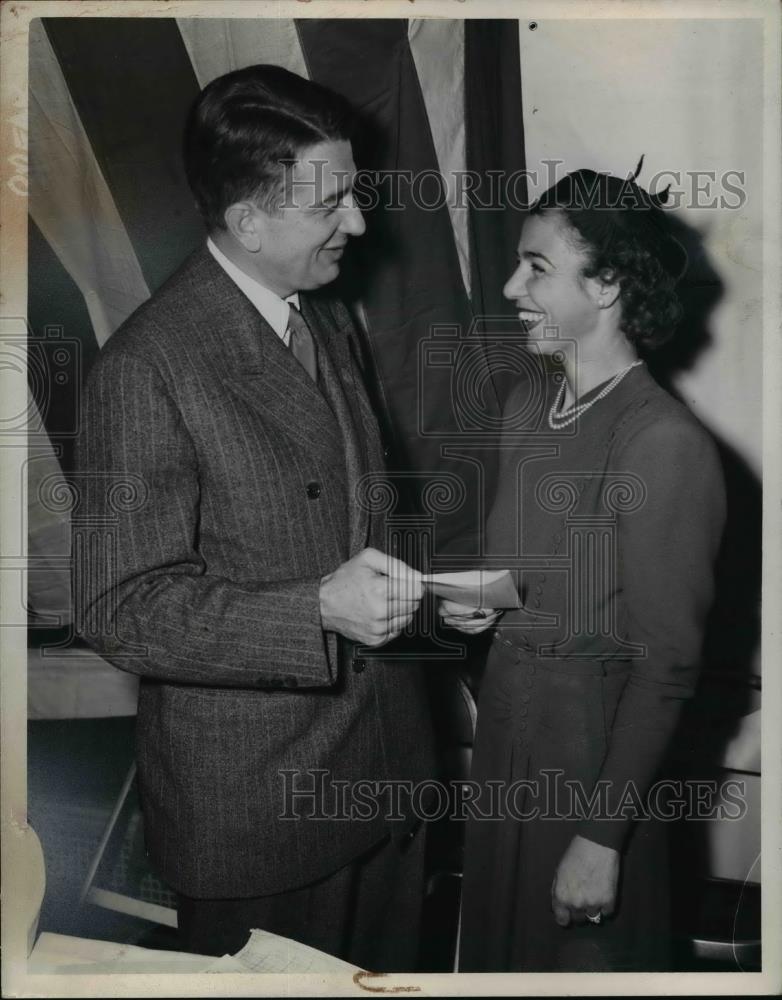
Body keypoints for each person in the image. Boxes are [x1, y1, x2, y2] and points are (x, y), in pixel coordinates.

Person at [75, 65, 435, 970]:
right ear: (248, 222)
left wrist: (424, 594)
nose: (357, 224)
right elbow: (122, 606)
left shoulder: (325, 317)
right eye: (332, 206)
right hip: (259, 819)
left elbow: (349, 519)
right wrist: (314, 608)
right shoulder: (146, 368)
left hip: (382, 781)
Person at [441, 168, 726, 971]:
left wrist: (602, 836)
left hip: (593, 762)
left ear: (605, 286)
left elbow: (666, 667)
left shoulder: (663, 442)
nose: (509, 286)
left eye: (536, 266)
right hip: (506, 738)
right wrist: (482, 602)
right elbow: (531, 572)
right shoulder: (526, 405)